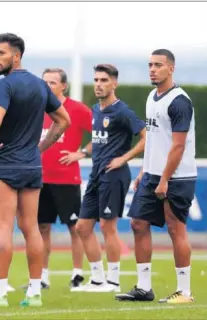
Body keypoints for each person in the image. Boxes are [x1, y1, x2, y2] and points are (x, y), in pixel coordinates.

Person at [0, 33, 71, 308]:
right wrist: (39, 148)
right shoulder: (41, 85)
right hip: (32, 165)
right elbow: (62, 120)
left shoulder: (3, 85)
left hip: (5, 164)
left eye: (1, 54)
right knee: (31, 228)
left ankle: (0, 293)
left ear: (16, 56)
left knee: (2, 227)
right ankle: (34, 292)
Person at [116, 49, 196, 303]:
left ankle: (184, 292)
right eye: (150, 64)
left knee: (175, 229)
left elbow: (178, 146)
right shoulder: (152, 96)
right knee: (138, 223)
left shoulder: (179, 101)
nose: (152, 69)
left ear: (171, 68)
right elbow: (154, 140)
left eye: (158, 65)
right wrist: (143, 170)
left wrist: (164, 179)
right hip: (151, 174)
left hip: (176, 177)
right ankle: (143, 287)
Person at [73, 64, 146, 293]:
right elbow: (99, 140)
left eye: (104, 80)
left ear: (114, 83)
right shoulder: (96, 110)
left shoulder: (122, 111)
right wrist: (83, 153)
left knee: (107, 226)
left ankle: (113, 281)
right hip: (96, 175)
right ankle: (97, 280)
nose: (98, 84)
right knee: (83, 227)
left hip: (114, 175)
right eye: (96, 80)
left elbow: (146, 137)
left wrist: (123, 158)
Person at [35, 68, 92, 290]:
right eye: (44, 82)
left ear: (63, 86)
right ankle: (42, 276)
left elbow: (101, 134)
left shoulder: (77, 110)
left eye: (52, 82)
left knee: (75, 227)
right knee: (41, 228)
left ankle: (77, 274)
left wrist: (82, 153)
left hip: (67, 179)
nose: (47, 86)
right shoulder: (35, 109)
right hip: (39, 179)